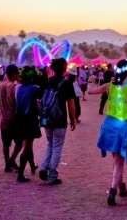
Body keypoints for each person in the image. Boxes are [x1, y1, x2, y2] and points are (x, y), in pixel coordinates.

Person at [88, 59, 127, 206]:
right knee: (119, 162)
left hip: (109, 125)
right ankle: (112, 191)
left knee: (116, 159)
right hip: (123, 126)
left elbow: (90, 91)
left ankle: (121, 187)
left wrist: (91, 81)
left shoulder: (109, 86)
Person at [39, 58, 76, 186]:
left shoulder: (46, 82)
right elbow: (71, 104)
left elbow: (40, 100)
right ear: (64, 69)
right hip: (60, 120)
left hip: (47, 118)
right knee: (57, 147)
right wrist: (73, 119)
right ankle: (52, 176)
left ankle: (44, 167)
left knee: (50, 144)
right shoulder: (66, 84)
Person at [15, 67, 42, 182]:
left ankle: (32, 166)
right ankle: (20, 174)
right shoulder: (35, 88)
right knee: (27, 145)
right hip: (30, 118)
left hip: (19, 118)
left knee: (28, 143)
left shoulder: (17, 87)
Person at [0, 65, 22, 173]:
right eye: (17, 73)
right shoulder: (13, 86)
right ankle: (11, 160)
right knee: (19, 143)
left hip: (3, 118)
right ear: (13, 74)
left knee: (6, 144)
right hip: (12, 118)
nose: (18, 75)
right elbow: (17, 102)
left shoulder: (0, 85)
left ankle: (7, 163)